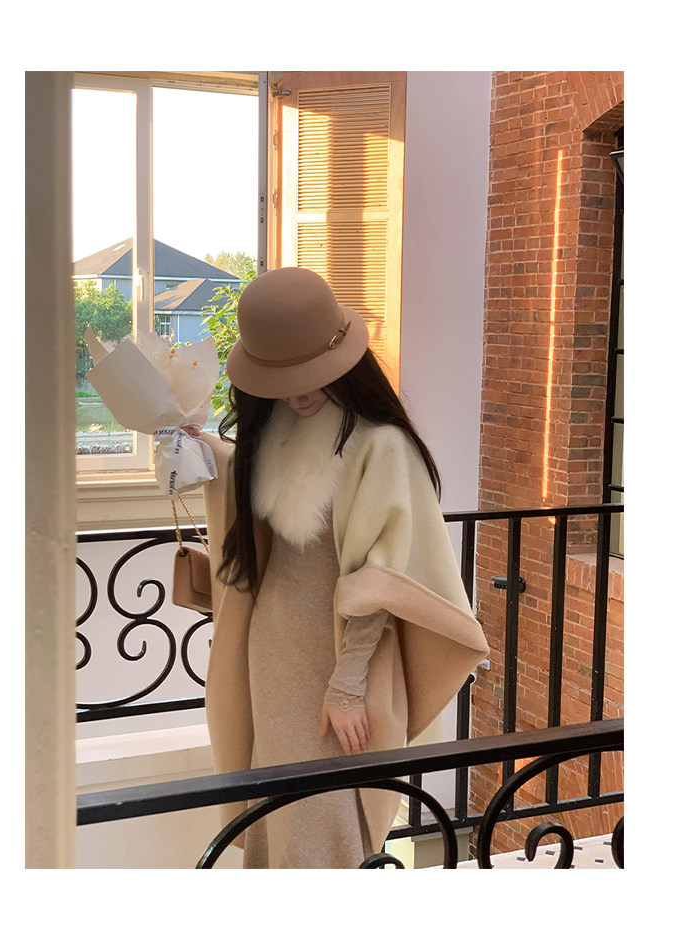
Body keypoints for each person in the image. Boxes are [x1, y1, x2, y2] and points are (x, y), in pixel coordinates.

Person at [194, 267, 489, 869]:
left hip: (334, 656)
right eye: (282, 381)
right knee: (276, 796)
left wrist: (349, 684)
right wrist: (198, 445)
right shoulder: (276, 431)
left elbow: (384, 578)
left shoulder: (380, 445)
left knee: (326, 807)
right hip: (270, 649)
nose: (298, 395)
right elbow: (252, 498)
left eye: (311, 377)